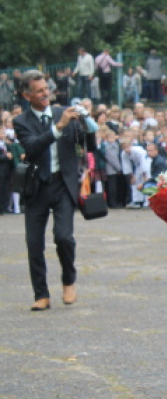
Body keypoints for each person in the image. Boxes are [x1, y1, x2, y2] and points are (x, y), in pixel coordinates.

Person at [14, 70, 97, 310]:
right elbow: (31, 146)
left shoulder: (64, 113)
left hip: (63, 185)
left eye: (46, 89)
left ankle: (69, 280)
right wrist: (57, 128)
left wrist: (88, 124)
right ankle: (41, 294)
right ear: (26, 95)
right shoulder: (21, 122)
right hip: (37, 186)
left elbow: (88, 146)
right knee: (34, 244)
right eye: (39, 91)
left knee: (64, 237)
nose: (45, 94)